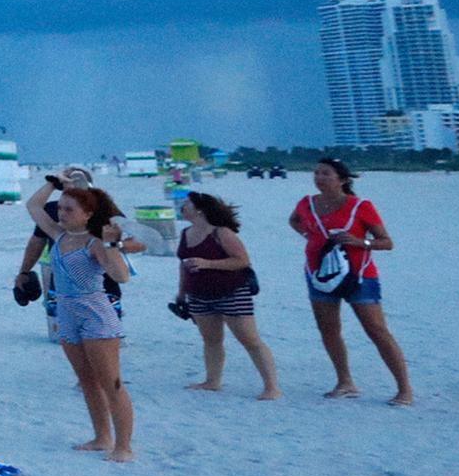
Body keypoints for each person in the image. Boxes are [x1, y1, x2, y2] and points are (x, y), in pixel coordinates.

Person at [28, 177, 134, 462]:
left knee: (110, 382)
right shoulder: (58, 235)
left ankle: (123, 446)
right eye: (61, 209)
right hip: (66, 311)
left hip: (95, 312)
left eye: (69, 210)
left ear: (87, 214)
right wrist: (53, 183)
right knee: (87, 380)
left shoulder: (94, 242)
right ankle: (102, 437)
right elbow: (34, 205)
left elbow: (121, 276)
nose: (61, 214)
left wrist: (112, 245)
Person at [289, 158, 412, 405]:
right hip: (319, 273)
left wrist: (360, 242)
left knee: (376, 330)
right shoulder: (307, 203)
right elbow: (294, 221)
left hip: (359, 275)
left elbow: (386, 242)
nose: (319, 178)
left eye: (326, 174)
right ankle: (345, 381)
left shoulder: (360, 206)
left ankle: (404, 388)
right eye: (316, 173)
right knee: (329, 329)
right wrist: (310, 237)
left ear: (342, 180)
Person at [12, 165, 143, 335]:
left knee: (102, 347)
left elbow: (137, 244)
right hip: (63, 295)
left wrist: (114, 245)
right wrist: (24, 272)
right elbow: (36, 239)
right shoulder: (55, 216)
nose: (63, 212)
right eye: (67, 189)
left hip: (102, 294)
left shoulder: (105, 212)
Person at [174, 192, 277, 399]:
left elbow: (242, 261)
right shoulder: (186, 233)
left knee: (249, 339)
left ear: (200, 209)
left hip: (232, 292)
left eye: (187, 204)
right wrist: (181, 292)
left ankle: (272, 386)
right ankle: (213, 381)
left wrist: (207, 263)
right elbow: (184, 265)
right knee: (211, 339)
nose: (182, 207)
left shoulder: (221, 233)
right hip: (199, 294)